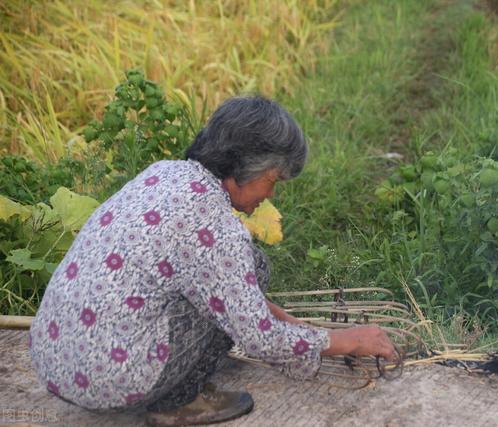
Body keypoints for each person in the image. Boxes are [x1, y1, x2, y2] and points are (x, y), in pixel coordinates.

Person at [29, 95, 397, 426]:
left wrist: (266, 309)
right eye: (273, 180)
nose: (270, 194)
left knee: (249, 265)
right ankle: (178, 403)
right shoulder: (216, 229)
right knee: (248, 271)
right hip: (107, 380)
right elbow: (259, 340)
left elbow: (208, 275)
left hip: (53, 358)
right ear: (242, 168)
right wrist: (342, 340)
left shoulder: (163, 173)